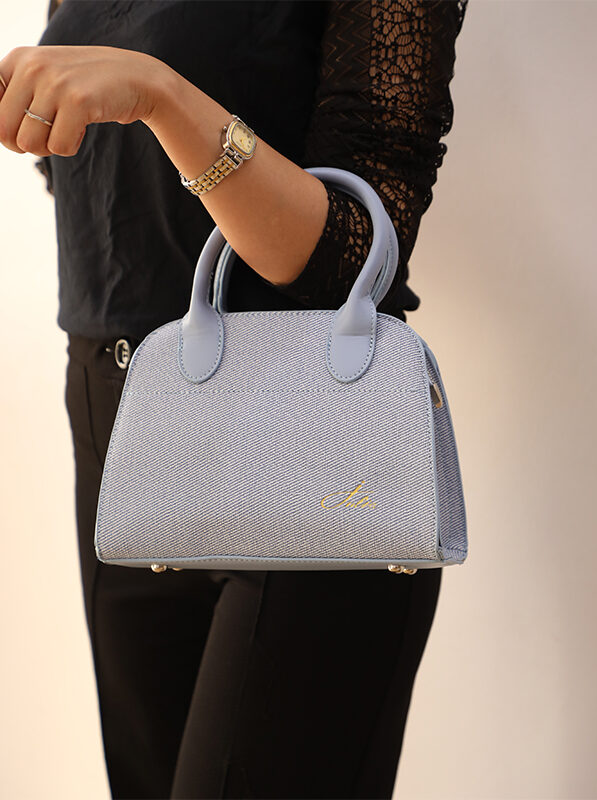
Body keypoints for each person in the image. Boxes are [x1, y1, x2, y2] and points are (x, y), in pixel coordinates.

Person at [0, 1, 468, 797]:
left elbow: (355, 248)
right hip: (120, 426)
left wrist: (159, 94)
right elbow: (92, 170)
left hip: (311, 449)